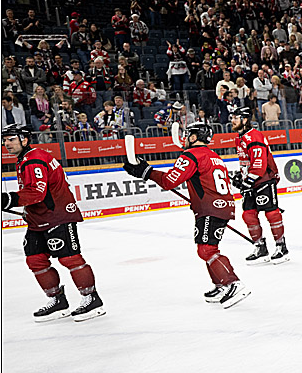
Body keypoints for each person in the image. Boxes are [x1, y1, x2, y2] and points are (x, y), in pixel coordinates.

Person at [123, 122, 251, 307]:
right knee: (207, 247)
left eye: (187, 134)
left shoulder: (190, 155)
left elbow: (169, 181)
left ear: (193, 137)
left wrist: (147, 172)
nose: (184, 138)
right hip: (222, 206)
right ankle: (221, 285)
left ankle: (233, 283)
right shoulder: (214, 156)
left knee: (207, 249)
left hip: (210, 208)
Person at [1, 124, 105, 322]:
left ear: (24, 139)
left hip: (57, 215)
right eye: (4, 140)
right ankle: (58, 301)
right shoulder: (26, 158)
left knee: (70, 258)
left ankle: (91, 299)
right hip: (38, 217)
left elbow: (37, 193)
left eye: (11, 139)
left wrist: (8, 199)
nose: (6, 143)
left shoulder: (34, 160)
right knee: (35, 259)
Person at [230, 107, 289, 265]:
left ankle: (281, 247)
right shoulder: (239, 138)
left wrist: (247, 181)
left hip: (264, 179)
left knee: (272, 214)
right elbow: (248, 163)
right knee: (248, 215)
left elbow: (259, 164)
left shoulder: (254, 136)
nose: (232, 120)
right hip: (252, 180)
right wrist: (241, 176)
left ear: (245, 120)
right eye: (232, 117)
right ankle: (260, 247)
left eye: (236, 117)